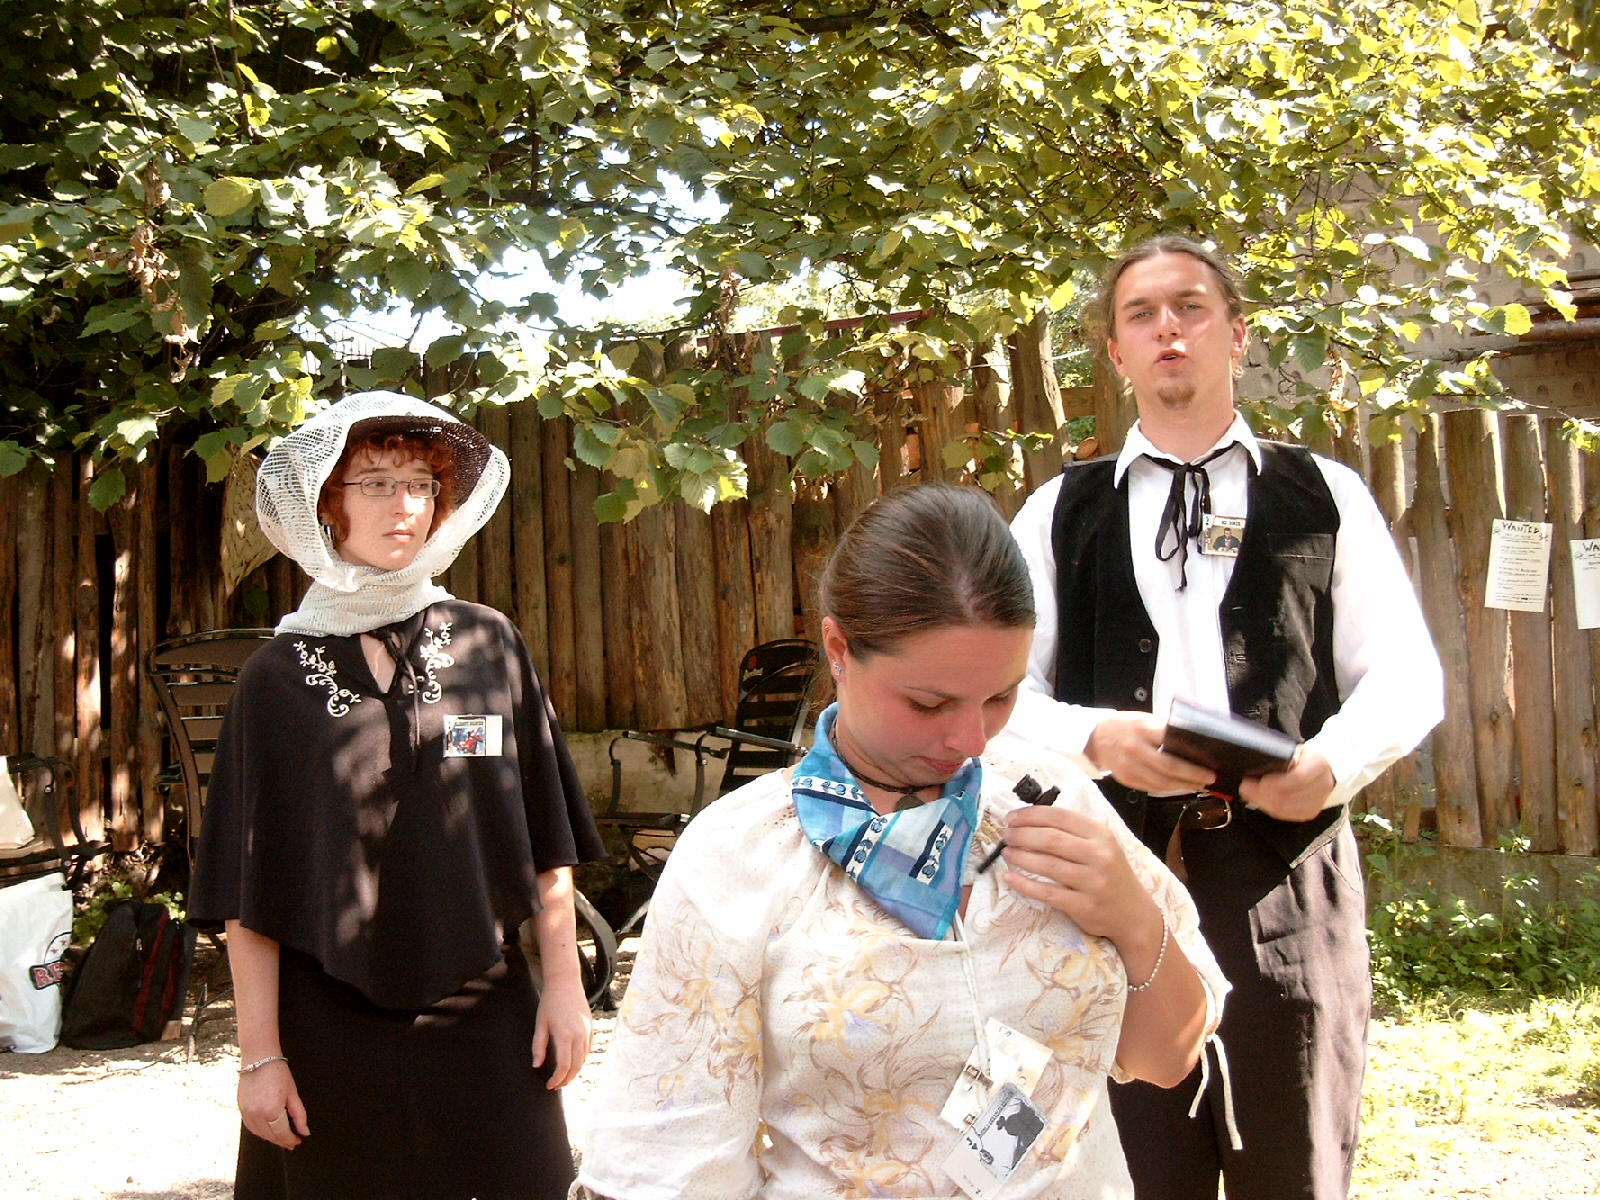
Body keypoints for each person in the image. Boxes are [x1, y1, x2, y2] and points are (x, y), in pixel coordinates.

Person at [573, 483, 1229, 1200]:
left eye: (1001, 696)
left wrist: (1135, 920)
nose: (971, 738)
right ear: (839, 650)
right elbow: (670, 1163)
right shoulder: (742, 856)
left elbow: (1167, 1060)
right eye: (929, 703)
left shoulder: (1050, 798)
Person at [1001, 236, 1445, 1199]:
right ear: (1115, 352)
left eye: (1191, 307)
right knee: (1129, 1167)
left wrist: (1330, 765)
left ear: (1237, 335)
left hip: (1287, 882)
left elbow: (1408, 676)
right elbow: (992, 700)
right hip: (1108, 882)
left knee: (1293, 1159)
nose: (1168, 328)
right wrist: (1093, 739)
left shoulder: (1324, 494)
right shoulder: (1057, 511)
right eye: (1141, 314)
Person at [188, 391, 606, 1200]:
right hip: (324, 1021)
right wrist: (260, 1057)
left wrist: (563, 988)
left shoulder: (488, 644)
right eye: (376, 482)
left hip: (485, 1002)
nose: (404, 504)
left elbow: (545, 835)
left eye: (420, 483)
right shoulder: (274, 680)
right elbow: (246, 888)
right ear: (327, 504)